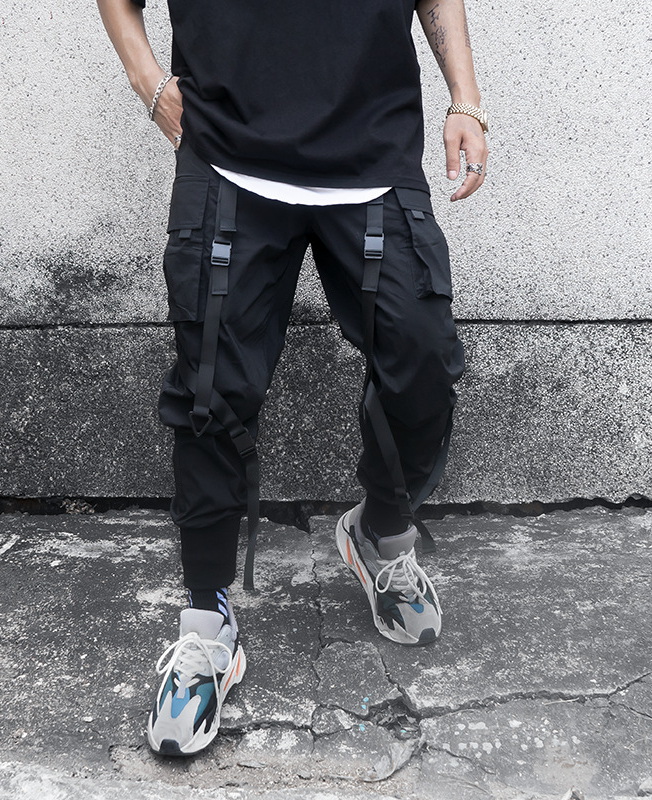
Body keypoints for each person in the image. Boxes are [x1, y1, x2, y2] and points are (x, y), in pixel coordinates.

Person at [97, 0, 488, 757]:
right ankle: (207, 626)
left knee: (423, 361)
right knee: (211, 392)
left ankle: (380, 531)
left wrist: (465, 99)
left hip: (371, 153)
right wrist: (150, 83)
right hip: (230, 156)